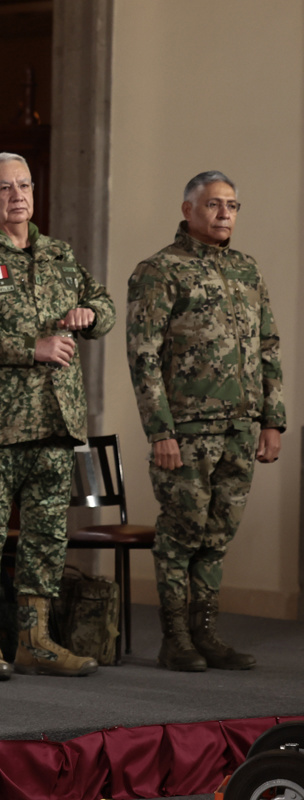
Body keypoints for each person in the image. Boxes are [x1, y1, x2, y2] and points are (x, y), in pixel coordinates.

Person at [0, 152, 115, 681]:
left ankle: (36, 640)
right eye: (4, 187)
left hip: (56, 420)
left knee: (45, 537)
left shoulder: (58, 254)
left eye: (25, 185)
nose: (17, 195)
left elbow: (102, 303)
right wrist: (30, 346)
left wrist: (90, 314)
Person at [126, 171, 284, 672]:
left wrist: (271, 420)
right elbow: (144, 357)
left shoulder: (246, 270)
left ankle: (207, 634)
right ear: (187, 210)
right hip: (187, 432)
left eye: (232, 206)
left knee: (217, 538)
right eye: (213, 205)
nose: (224, 214)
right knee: (181, 535)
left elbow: (267, 348)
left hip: (241, 428)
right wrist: (160, 431)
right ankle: (176, 638)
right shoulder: (159, 271)